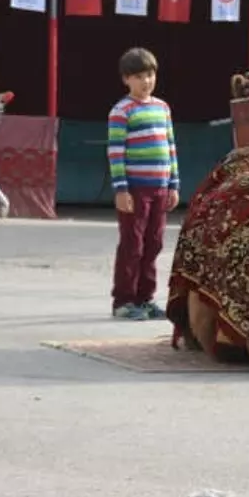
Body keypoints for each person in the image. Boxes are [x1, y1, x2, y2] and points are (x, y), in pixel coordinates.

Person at [107, 48, 179, 320]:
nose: (146, 81)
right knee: (132, 245)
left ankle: (145, 298)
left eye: (149, 75)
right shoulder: (121, 111)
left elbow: (170, 147)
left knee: (154, 244)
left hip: (160, 188)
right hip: (135, 191)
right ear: (126, 79)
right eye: (138, 76)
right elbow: (115, 153)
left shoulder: (162, 108)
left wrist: (173, 184)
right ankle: (124, 301)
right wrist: (121, 190)